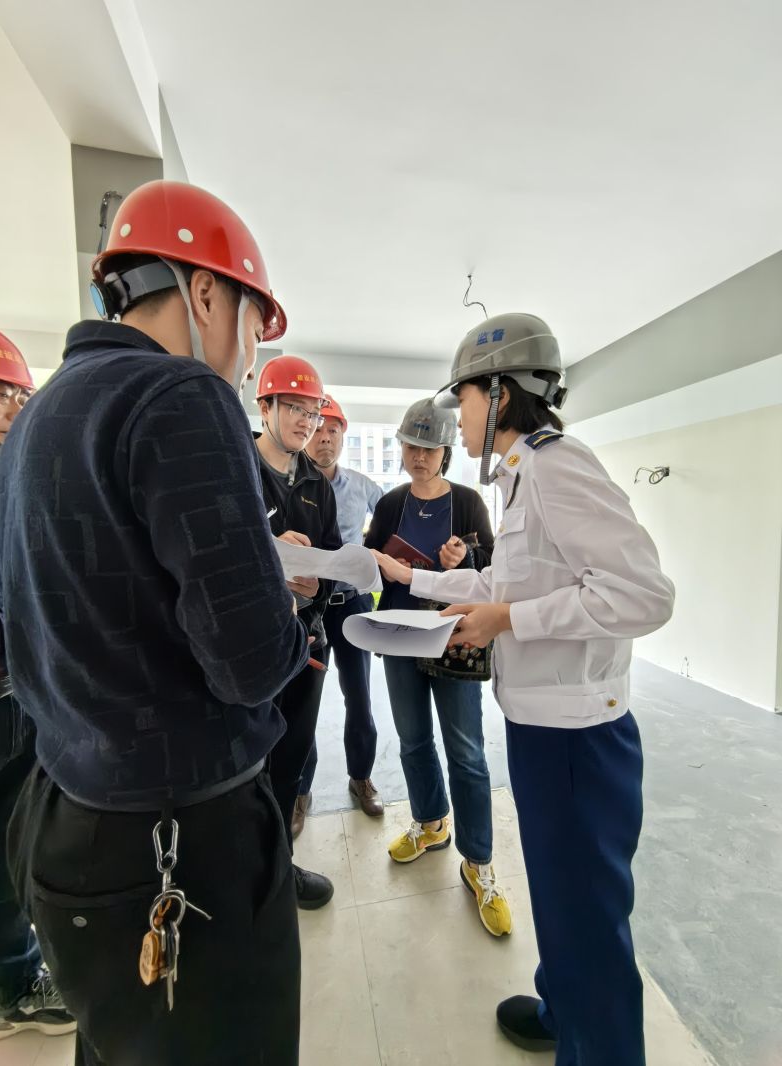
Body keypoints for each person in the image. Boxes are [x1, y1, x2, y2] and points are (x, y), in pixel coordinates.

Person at [0, 180, 310, 1066]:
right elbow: (251, 664)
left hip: (65, 819)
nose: (248, 362)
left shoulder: (34, 424)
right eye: (251, 323)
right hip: (179, 844)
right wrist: (285, 605)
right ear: (205, 292)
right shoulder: (179, 398)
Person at [373, 314, 675, 1064]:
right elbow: (504, 580)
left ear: (501, 394)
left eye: (466, 399)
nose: (460, 417)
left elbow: (644, 595)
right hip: (544, 731)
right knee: (560, 896)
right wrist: (420, 581)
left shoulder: (555, 466)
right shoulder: (520, 477)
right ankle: (559, 1003)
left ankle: (595, 1041)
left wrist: (509, 618)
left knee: (590, 919)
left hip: (580, 741)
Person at [364, 397, 512, 938]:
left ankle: (479, 862)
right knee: (412, 740)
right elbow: (368, 561)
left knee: (467, 752)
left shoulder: (470, 503)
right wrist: (372, 564)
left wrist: (462, 560)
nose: (418, 455)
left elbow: (495, 570)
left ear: (445, 451)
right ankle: (430, 824)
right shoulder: (390, 504)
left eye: (428, 447)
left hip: (453, 641)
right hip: (400, 637)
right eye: (410, 445)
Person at [0, 325, 76, 1044]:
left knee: (11, 844)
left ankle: (16, 976)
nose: (15, 408)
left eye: (20, 393)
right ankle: (12, 983)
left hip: (14, 694)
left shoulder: (0, 488)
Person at [254, 357, 342, 908]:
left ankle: (278, 867)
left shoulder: (317, 483)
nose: (307, 422)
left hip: (306, 642)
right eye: (294, 409)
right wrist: (272, 557)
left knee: (290, 760)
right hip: (250, 646)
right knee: (247, 766)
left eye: (312, 412)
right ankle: (247, 877)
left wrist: (319, 580)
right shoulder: (233, 467)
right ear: (265, 408)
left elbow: (331, 558)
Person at [298, 393, 384, 831]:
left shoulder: (365, 488)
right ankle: (299, 789)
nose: (324, 437)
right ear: (306, 431)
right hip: (306, 610)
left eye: (333, 429)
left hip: (352, 605)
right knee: (302, 701)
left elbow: (386, 535)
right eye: (318, 428)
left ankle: (362, 777)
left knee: (360, 697)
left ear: (343, 435)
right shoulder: (290, 485)